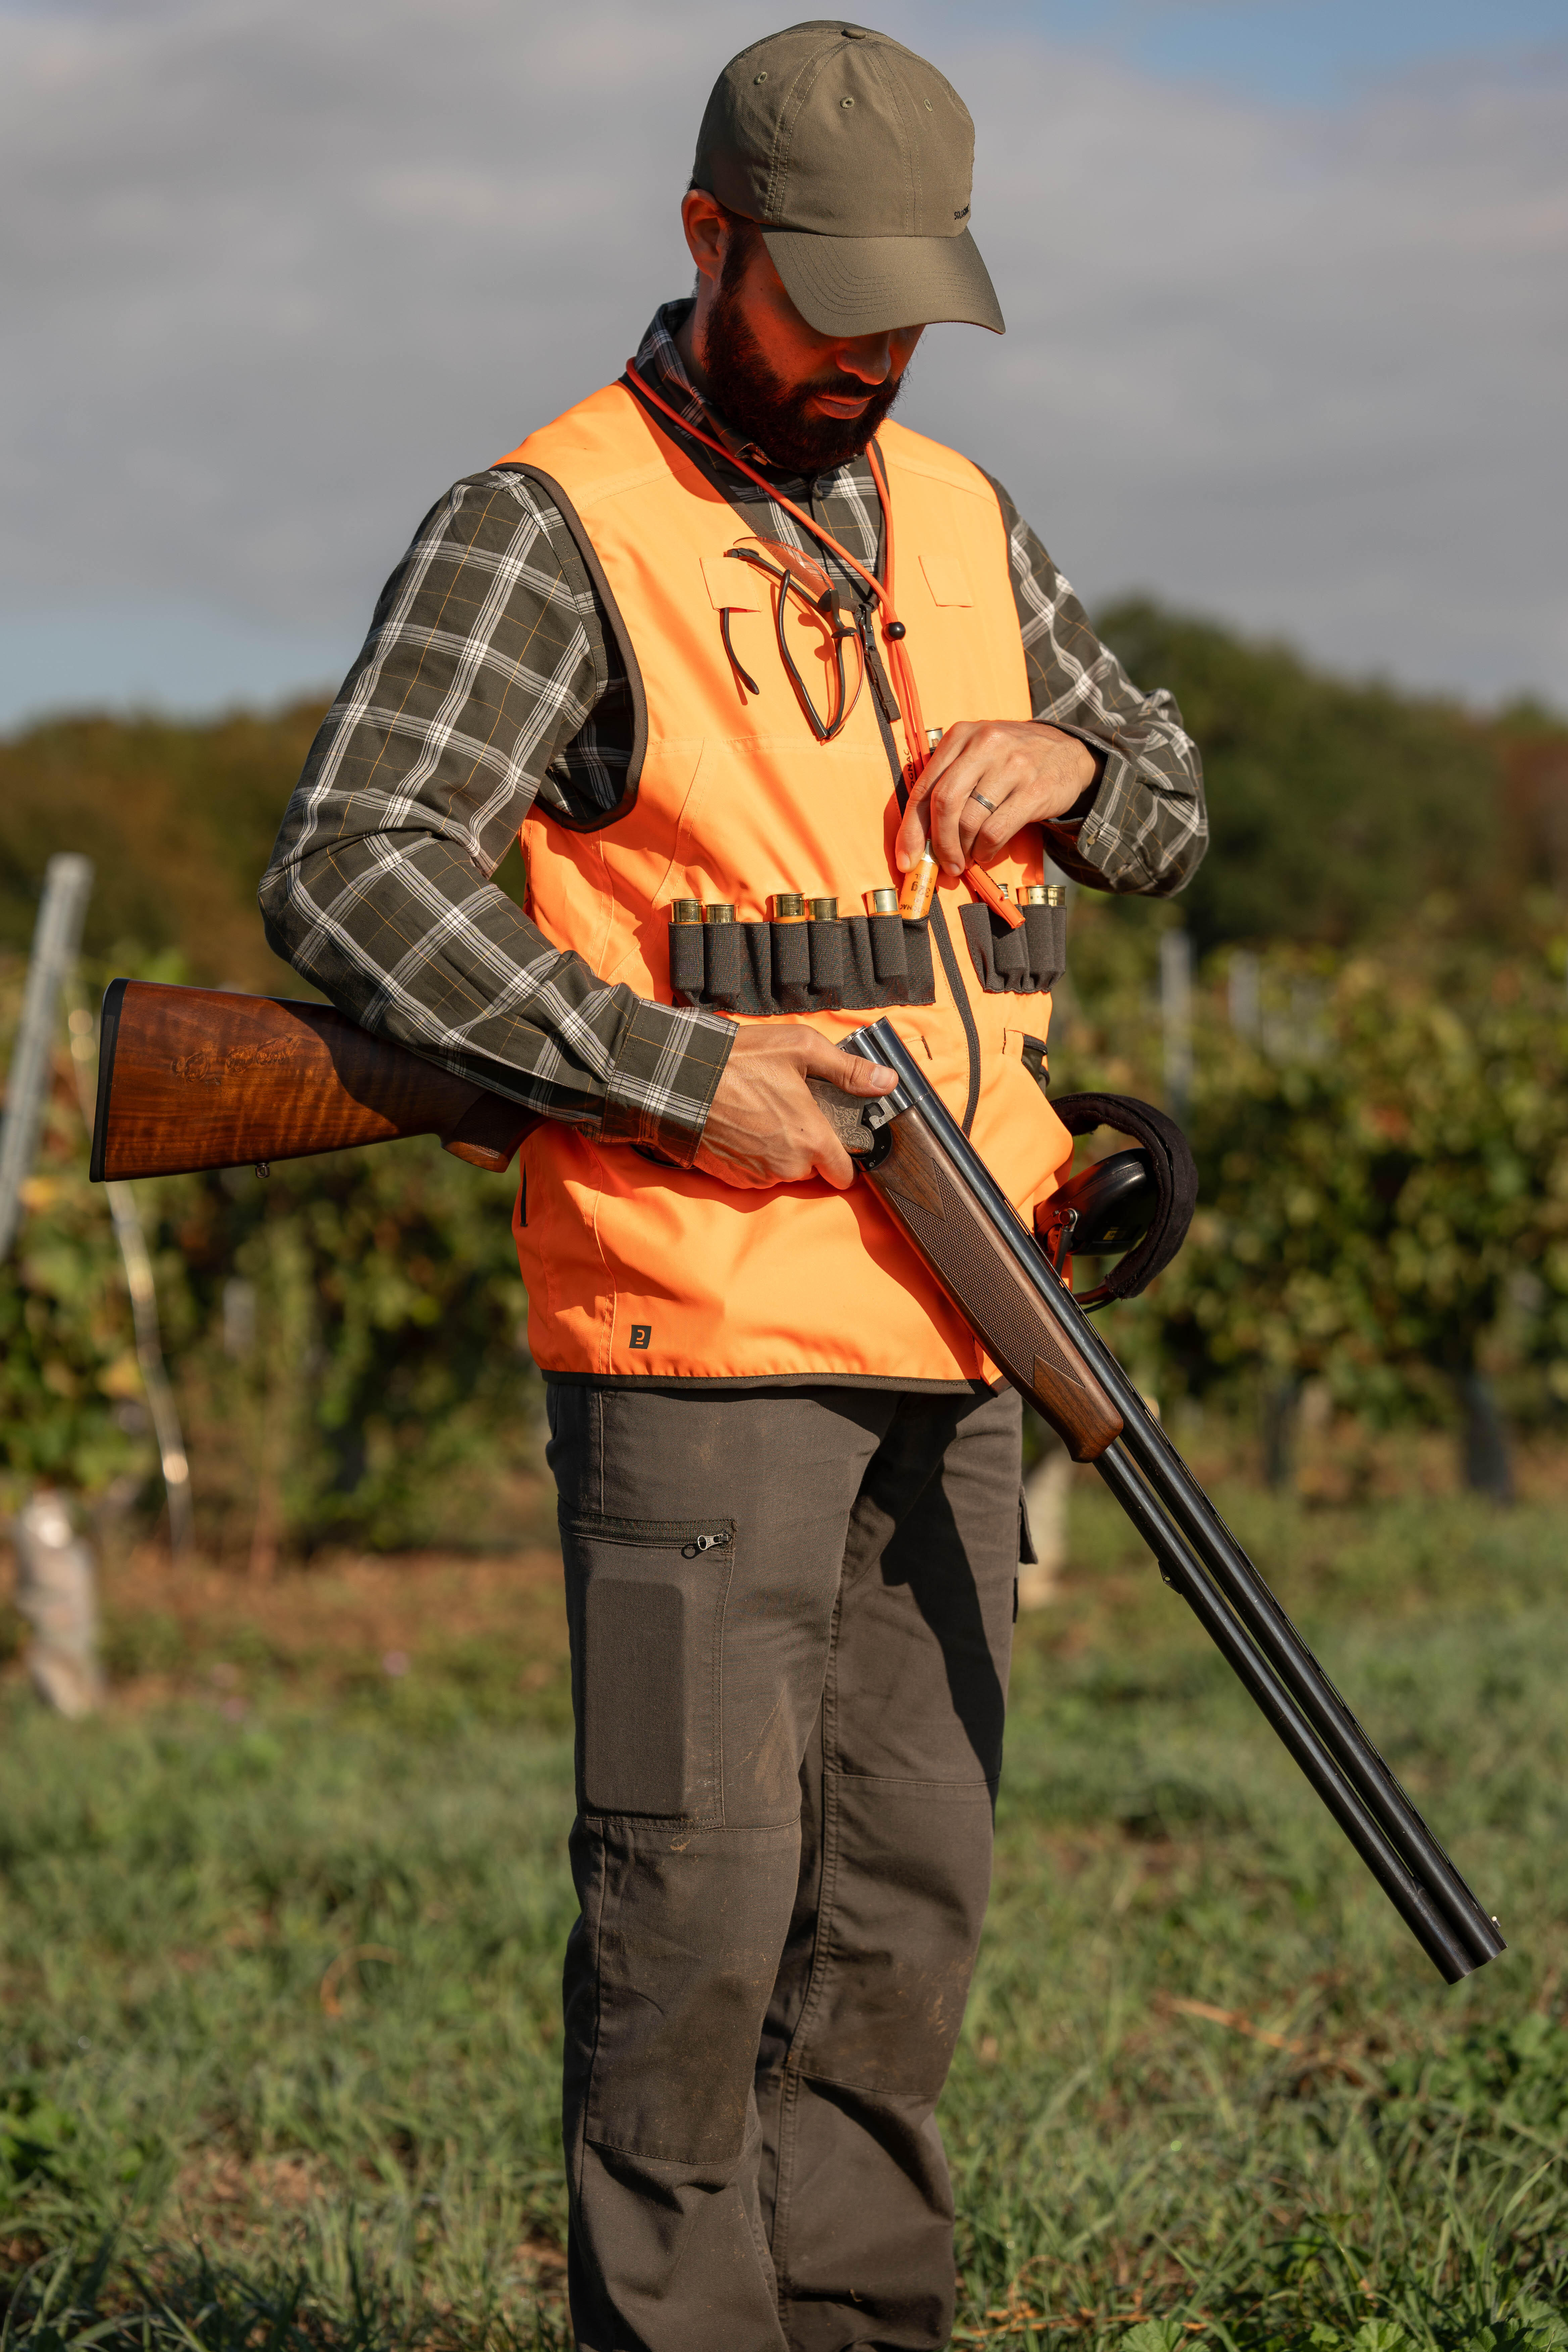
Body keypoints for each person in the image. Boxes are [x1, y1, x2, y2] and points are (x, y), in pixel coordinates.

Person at [261, 22, 1206, 2348]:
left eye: (907, 311)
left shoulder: (967, 517)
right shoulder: (546, 524)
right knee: (695, 1918)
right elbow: (349, 870)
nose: (871, 354)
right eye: (827, 302)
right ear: (707, 243)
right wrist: (680, 1076)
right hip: (702, 1330)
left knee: (908, 1900)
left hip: (976, 1329)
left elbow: (1175, 803)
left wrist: (1078, 756)